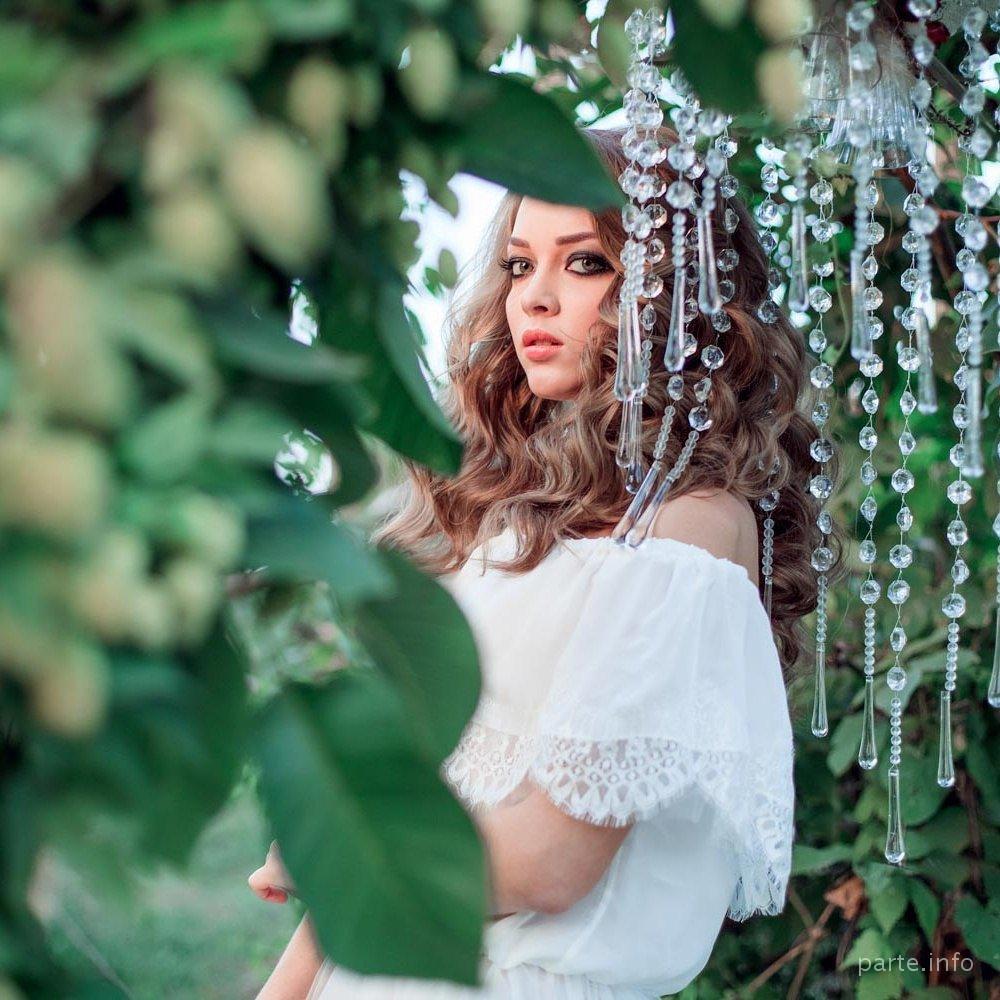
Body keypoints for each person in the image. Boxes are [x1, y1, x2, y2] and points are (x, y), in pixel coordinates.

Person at [248, 123, 843, 999]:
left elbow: (552, 860)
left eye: (586, 263)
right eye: (521, 265)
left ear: (680, 294)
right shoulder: (524, 517)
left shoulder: (693, 528)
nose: (534, 298)